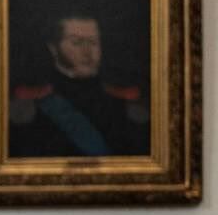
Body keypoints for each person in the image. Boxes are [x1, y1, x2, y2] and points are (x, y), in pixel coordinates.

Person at [9, 12, 150, 157]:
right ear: (53, 48)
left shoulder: (126, 100)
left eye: (93, 42)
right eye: (76, 42)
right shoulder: (30, 101)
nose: (87, 51)